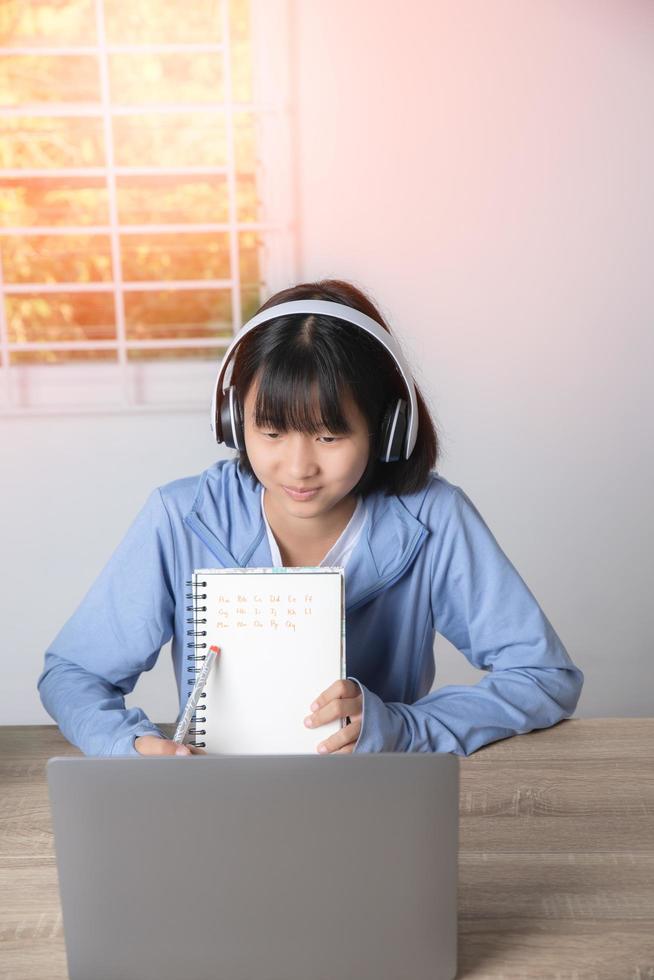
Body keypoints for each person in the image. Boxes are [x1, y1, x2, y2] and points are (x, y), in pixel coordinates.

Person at [37, 278, 584, 758]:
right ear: (232, 420)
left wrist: (404, 728)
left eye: (329, 435)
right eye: (270, 433)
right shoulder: (181, 516)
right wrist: (126, 745)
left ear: (387, 428)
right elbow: (74, 674)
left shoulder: (434, 517)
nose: (298, 467)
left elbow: (544, 677)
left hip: (374, 799)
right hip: (218, 799)